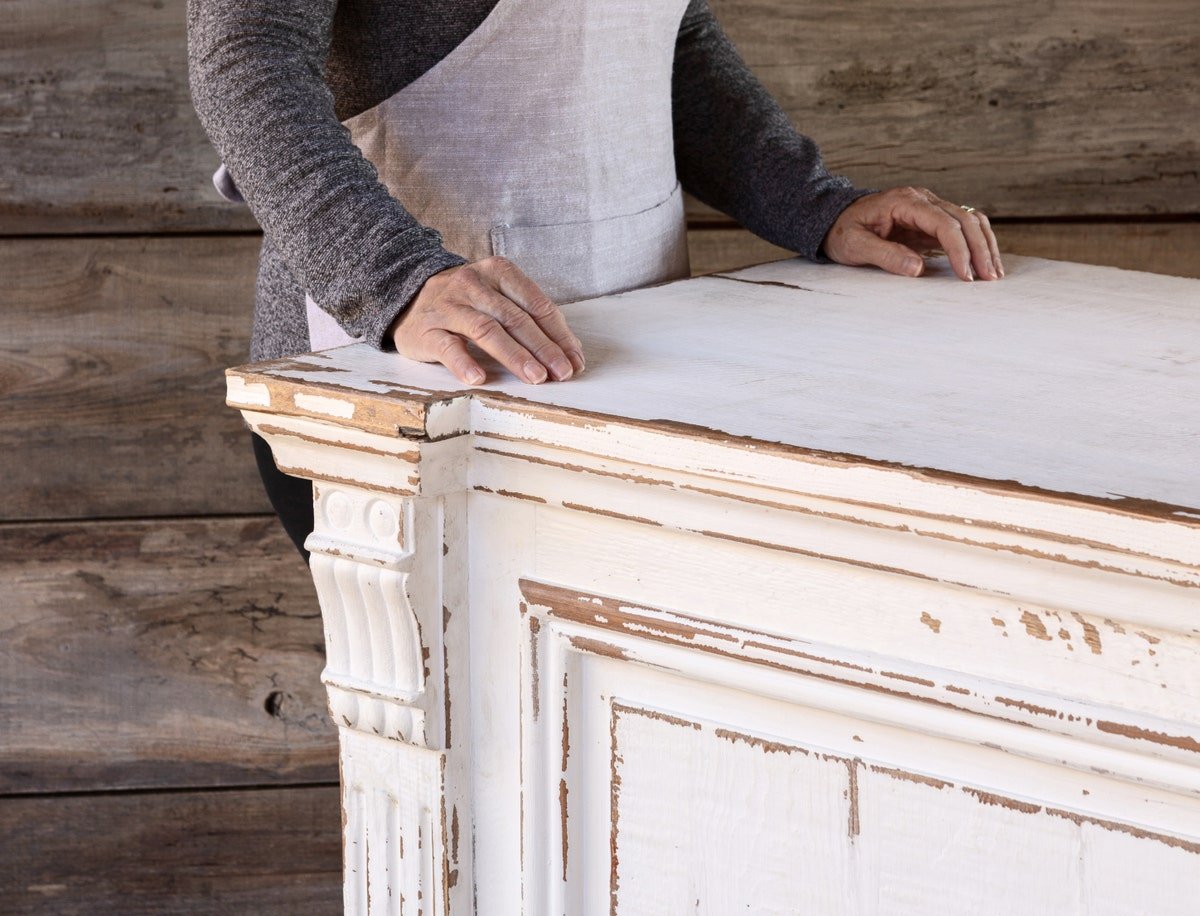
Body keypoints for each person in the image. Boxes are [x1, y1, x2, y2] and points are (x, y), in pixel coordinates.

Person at [188, 0, 1003, 559]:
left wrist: (814, 205)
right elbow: (244, 57)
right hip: (406, 380)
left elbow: (663, 36)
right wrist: (394, 278)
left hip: (643, 371)